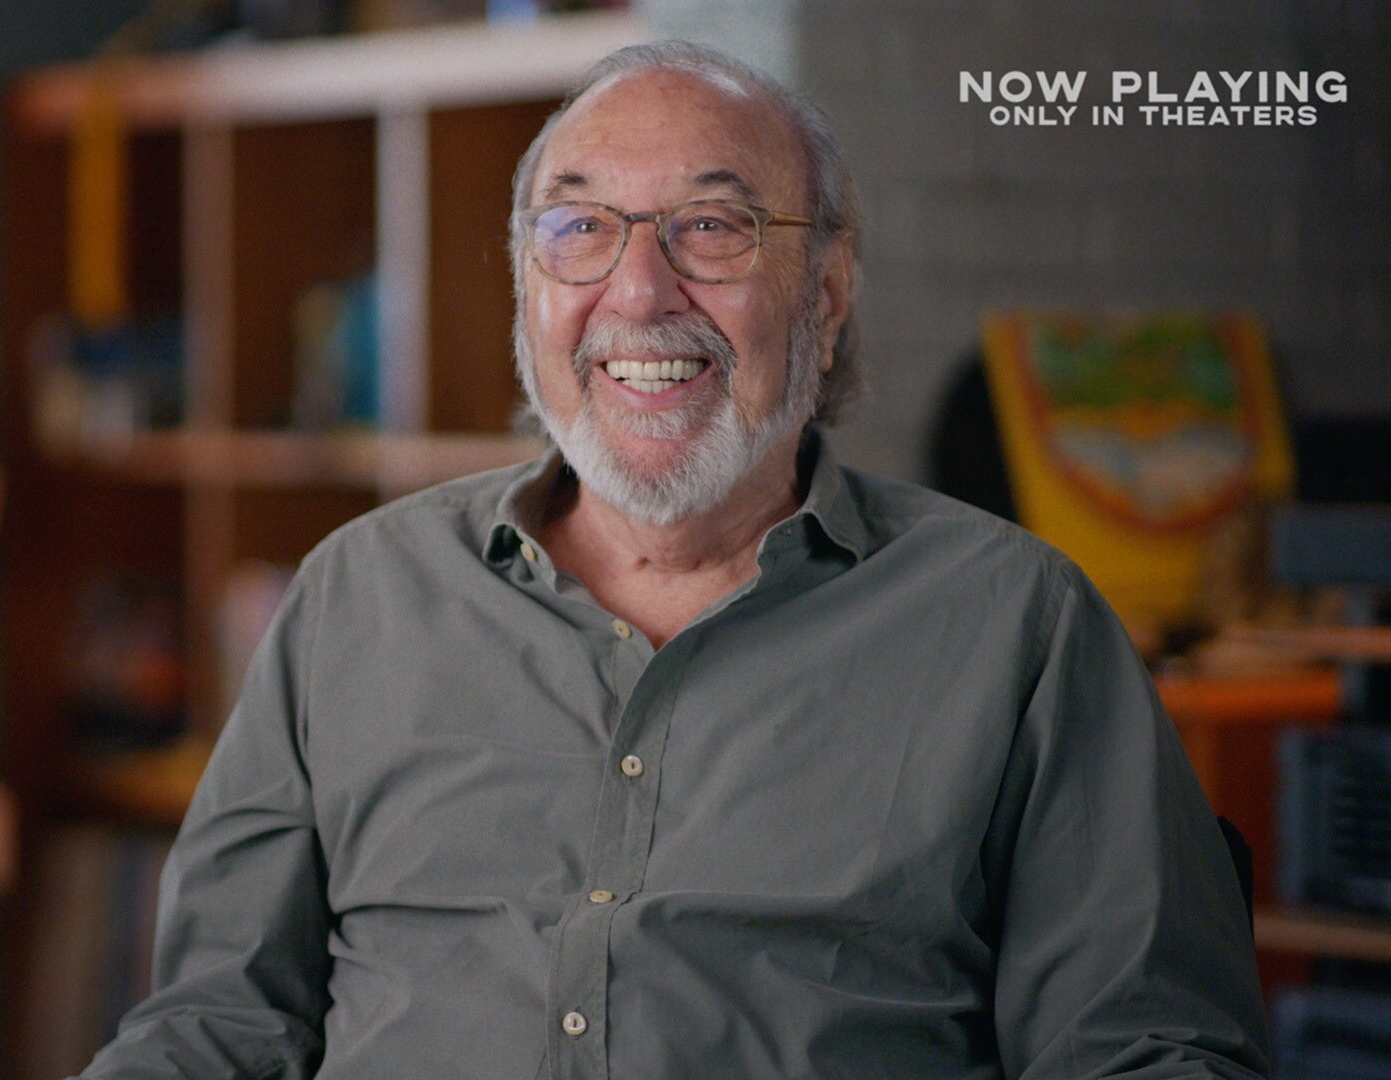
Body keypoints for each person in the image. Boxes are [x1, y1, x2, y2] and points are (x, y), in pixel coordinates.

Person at [76, 41, 1270, 1080]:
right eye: (578, 229)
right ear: (526, 290)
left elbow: (1146, 1052)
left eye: (713, 227)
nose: (637, 294)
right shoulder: (357, 596)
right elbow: (217, 1028)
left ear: (828, 292)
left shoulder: (1020, 626)